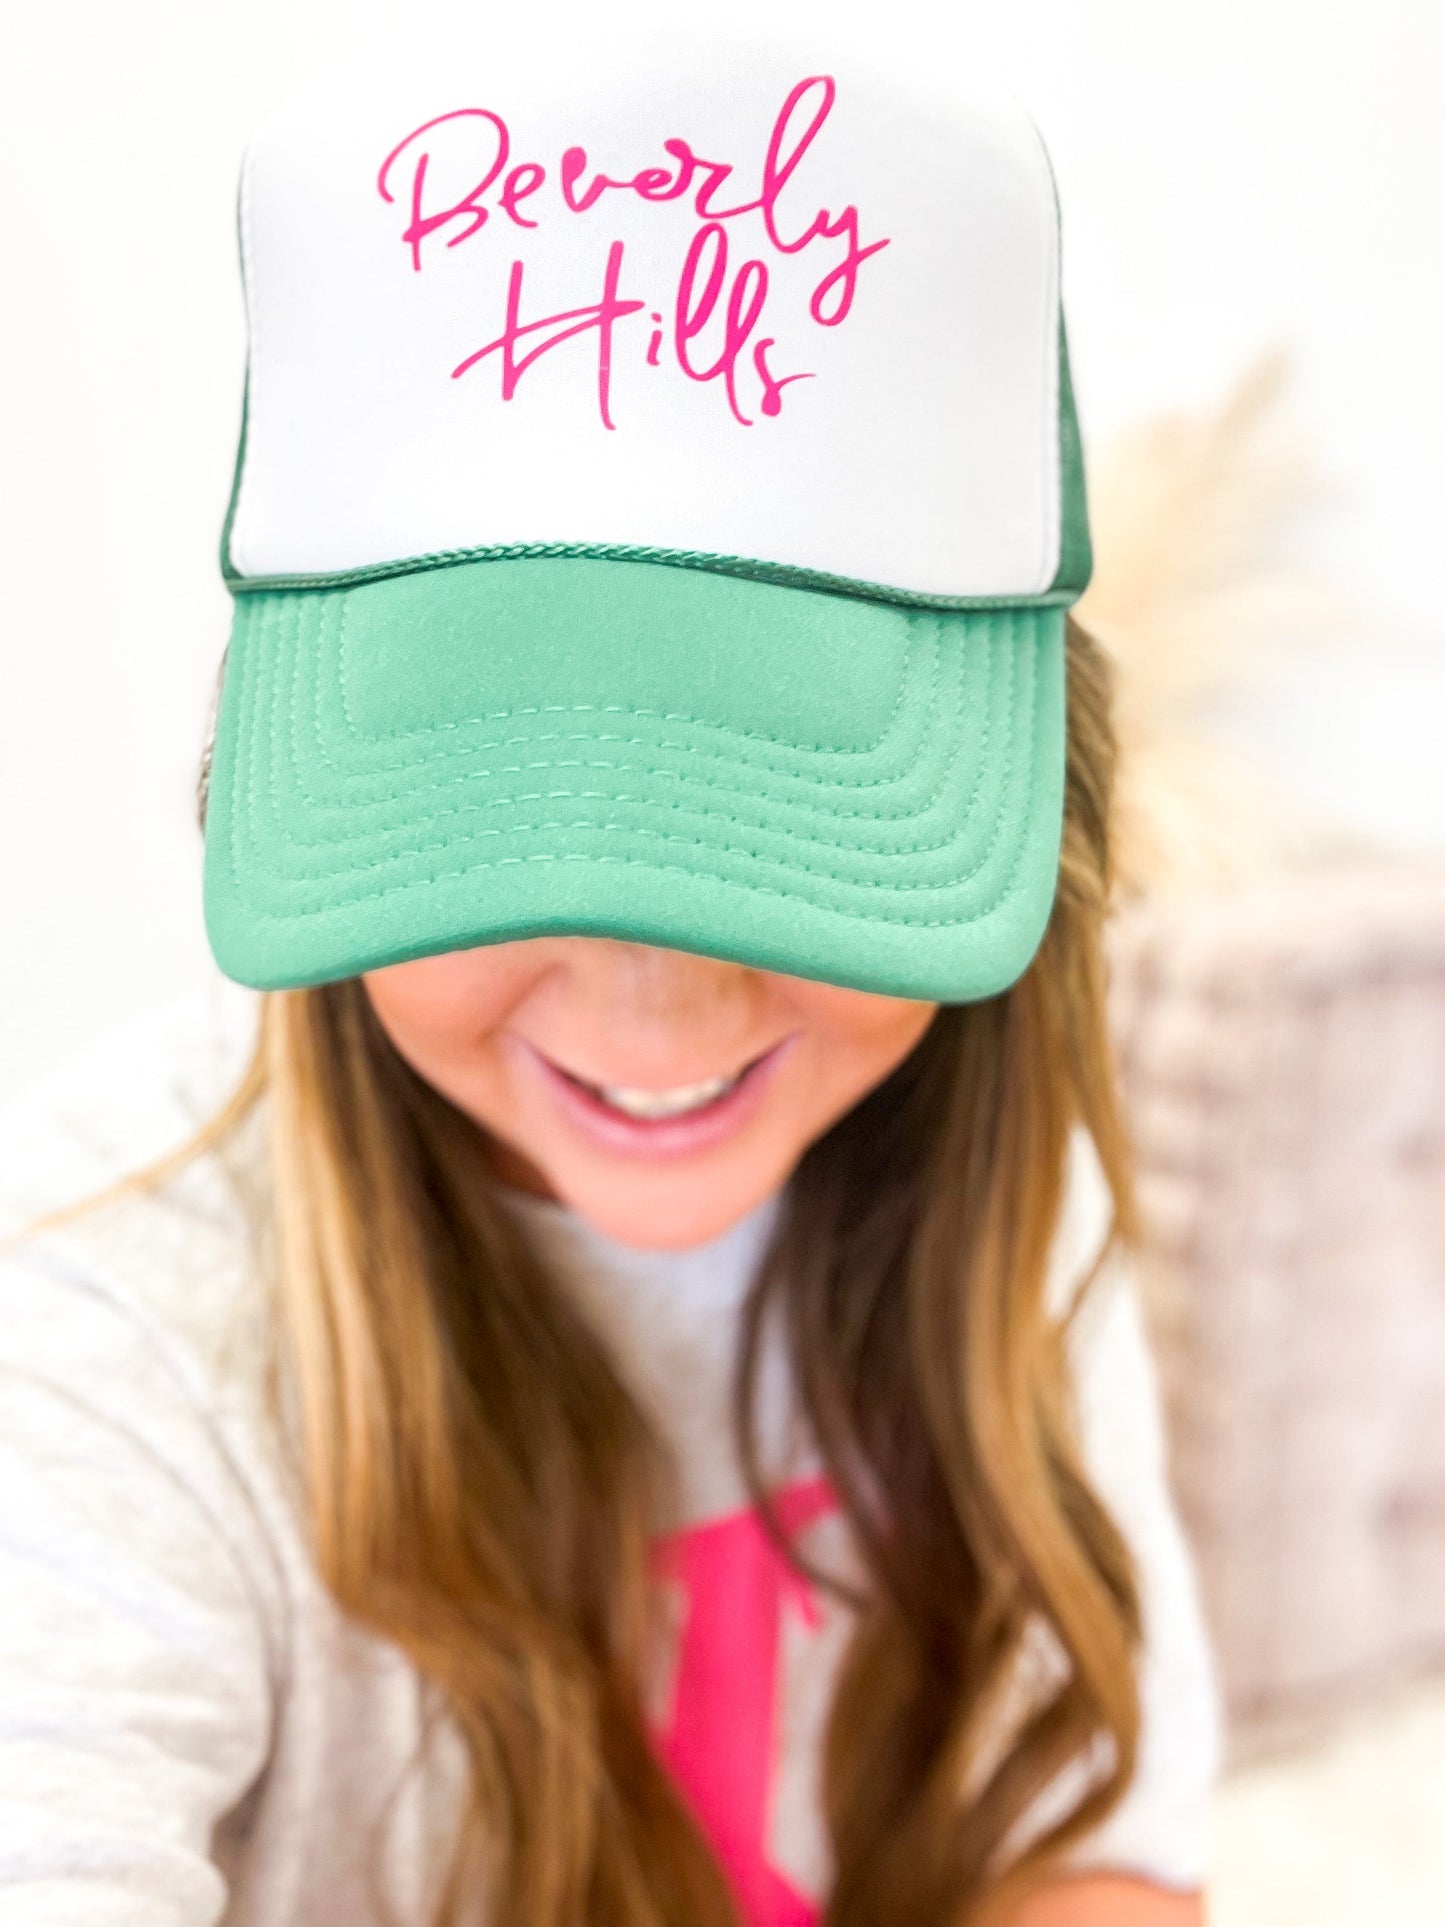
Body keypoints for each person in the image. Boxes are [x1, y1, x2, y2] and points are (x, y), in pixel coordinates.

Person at [0, 32, 1222, 1927]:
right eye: (501, 829)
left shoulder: (1000, 1184)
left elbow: (1090, 1848)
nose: (655, 1005)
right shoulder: (100, 1317)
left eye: (792, 828)